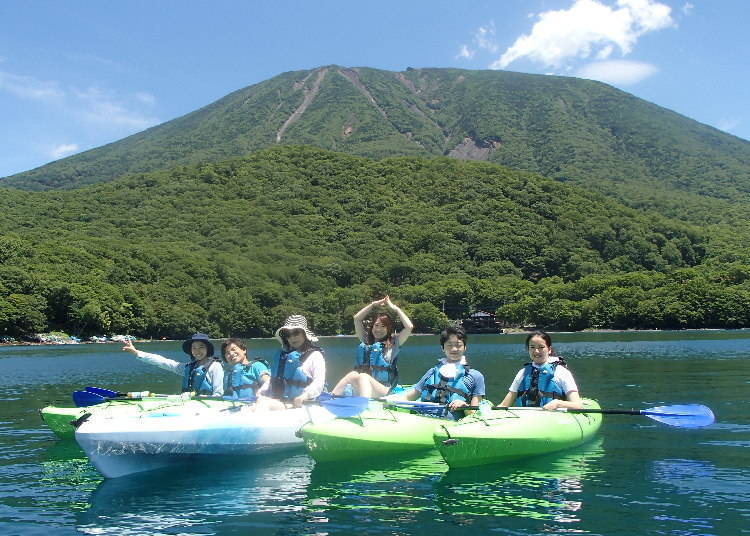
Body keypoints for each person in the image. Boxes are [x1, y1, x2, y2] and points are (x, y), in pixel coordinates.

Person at [393, 326, 485, 420]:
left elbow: (474, 413)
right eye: (449, 345)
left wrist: (464, 406)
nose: (454, 349)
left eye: (458, 345)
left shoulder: (475, 376)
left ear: (465, 347)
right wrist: (390, 402)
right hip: (420, 416)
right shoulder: (432, 372)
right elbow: (409, 397)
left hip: (448, 422)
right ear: (442, 348)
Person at [331, 296, 414, 399]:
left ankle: (364, 404)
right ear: (372, 326)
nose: (378, 329)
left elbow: (409, 327)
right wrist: (373, 304)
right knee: (353, 374)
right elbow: (357, 318)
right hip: (363, 387)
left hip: (383, 390)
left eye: (383, 326)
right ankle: (331, 398)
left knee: (364, 376)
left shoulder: (394, 344)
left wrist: (395, 308)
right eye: (376, 325)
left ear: (388, 329)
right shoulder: (365, 340)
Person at [498, 331, 583, 410]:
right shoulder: (522, 373)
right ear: (528, 349)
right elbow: (504, 405)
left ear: (549, 349)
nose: (536, 351)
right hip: (525, 418)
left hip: (553, 418)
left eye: (541, 347)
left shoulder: (561, 372)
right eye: (532, 347)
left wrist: (558, 404)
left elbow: (577, 405)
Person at [257, 315, 326, 410]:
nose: (292, 338)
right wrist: (261, 393)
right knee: (260, 402)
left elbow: (319, 382)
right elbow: (273, 379)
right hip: (281, 402)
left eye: (296, 332)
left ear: (304, 334)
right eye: (288, 335)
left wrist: (305, 395)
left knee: (264, 406)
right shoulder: (283, 356)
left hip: (303, 405)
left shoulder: (315, 355)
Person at [122, 333, 224, 397]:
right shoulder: (188, 368)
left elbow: (218, 394)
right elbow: (162, 362)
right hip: (191, 405)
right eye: (194, 347)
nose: (197, 351)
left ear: (208, 349)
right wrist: (136, 352)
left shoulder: (215, 367)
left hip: (207, 407)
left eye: (201, 347)